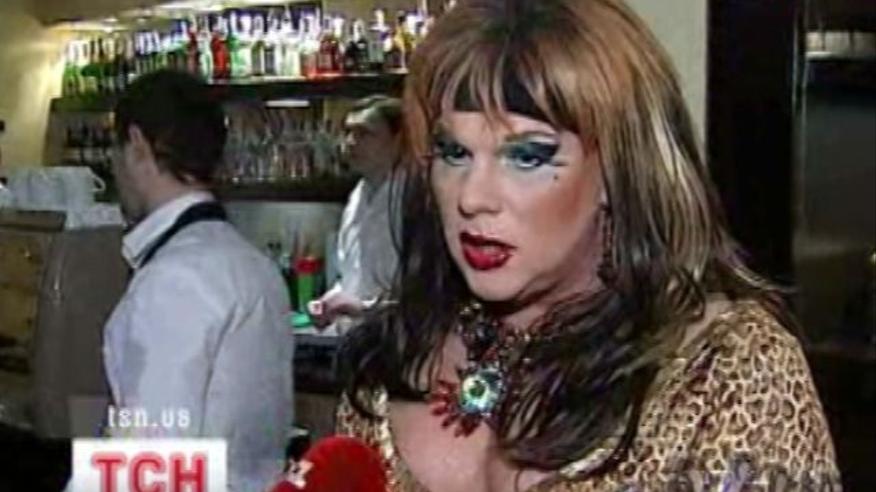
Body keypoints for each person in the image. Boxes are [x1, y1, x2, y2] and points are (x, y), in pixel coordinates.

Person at [335, 1, 841, 490]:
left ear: (618, 170)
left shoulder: (726, 371)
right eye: (454, 152)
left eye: (526, 156)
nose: (472, 197)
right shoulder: (388, 364)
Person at [103, 70, 292, 492]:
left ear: (136, 145)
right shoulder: (254, 264)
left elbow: (152, 467)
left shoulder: (172, 280)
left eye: (114, 150)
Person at [309, 95, 403, 331]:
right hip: (358, 339)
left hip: (402, 341)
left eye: (364, 133)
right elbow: (352, 275)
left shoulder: (417, 200)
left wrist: (363, 308)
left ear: (398, 141)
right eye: (348, 132)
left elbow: (426, 296)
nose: (350, 142)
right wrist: (329, 301)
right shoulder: (357, 197)